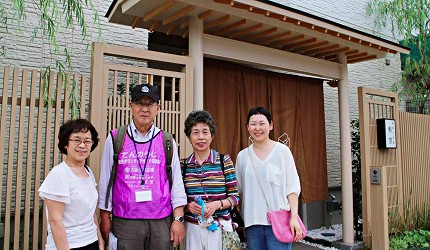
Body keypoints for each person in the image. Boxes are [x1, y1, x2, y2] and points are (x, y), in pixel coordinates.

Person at [97, 84, 187, 250]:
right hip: (125, 220)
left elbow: (176, 183)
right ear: (131, 105)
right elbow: (105, 181)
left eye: (150, 104)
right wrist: (105, 216)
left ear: (157, 108)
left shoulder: (166, 140)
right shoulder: (116, 138)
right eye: (140, 103)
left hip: (161, 220)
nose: (144, 109)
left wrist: (178, 219)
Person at [235, 107, 303, 250]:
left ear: (271, 125)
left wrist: (294, 217)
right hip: (252, 224)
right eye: (253, 124)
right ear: (247, 127)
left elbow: (292, 187)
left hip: (278, 222)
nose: (257, 128)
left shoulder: (282, 151)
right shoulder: (242, 156)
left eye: (262, 123)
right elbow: (238, 190)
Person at [38, 119, 103, 250]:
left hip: (91, 241)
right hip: (69, 244)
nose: (82, 145)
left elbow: (90, 213)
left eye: (87, 141)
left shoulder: (88, 172)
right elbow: (55, 221)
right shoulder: (59, 174)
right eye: (77, 140)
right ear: (66, 144)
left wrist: (100, 241)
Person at [181, 110, 240, 250]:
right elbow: (178, 199)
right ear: (189, 137)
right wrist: (188, 207)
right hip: (192, 227)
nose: (201, 137)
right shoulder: (183, 165)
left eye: (205, 132)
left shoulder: (223, 161)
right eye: (195, 132)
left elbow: (235, 197)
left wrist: (216, 205)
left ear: (212, 135)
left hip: (219, 226)